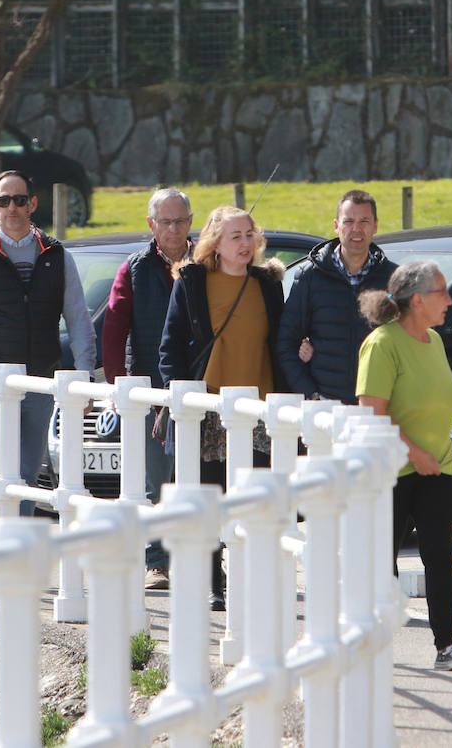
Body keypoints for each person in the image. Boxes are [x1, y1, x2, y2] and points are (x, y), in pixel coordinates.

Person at [0, 170, 97, 520]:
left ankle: (18, 548)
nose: (13, 207)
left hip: (40, 379)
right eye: (5, 200)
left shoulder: (57, 257)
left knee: (28, 470)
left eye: (20, 200)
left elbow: (79, 321)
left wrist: (85, 376)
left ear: (33, 204)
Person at [159, 205, 283, 610]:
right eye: (236, 236)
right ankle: (214, 581)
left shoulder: (267, 283)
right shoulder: (194, 282)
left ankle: (254, 577)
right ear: (216, 242)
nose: (246, 243)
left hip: (259, 407)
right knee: (212, 496)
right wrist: (183, 398)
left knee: (254, 498)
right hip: (211, 406)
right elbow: (171, 345)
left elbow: (280, 340)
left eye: (250, 234)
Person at [356, 260, 452, 672]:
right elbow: (372, 413)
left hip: (438, 468)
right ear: (419, 299)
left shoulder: (435, 341)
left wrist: (434, 455)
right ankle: (374, 647)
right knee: (380, 559)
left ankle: (448, 646)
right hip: (392, 470)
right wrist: (414, 454)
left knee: (440, 557)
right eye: (443, 292)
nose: (450, 300)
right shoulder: (381, 343)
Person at [102, 187, 193, 590]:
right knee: (156, 482)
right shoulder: (134, 269)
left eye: (181, 221)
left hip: (199, 389)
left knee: (198, 481)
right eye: (166, 222)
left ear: (191, 222)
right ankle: (156, 562)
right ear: (151, 224)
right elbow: (114, 327)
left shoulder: (206, 263)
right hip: (152, 391)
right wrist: (117, 384)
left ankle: (201, 562)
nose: (173, 229)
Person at [277, 189, 397, 403]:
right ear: (336, 225)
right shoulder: (310, 276)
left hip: (378, 407)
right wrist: (310, 395)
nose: (356, 229)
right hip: (324, 407)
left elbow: (406, 341)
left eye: (364, 221)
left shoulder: (393, 278)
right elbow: (286, 342)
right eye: (348, 221)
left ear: (375, 226)